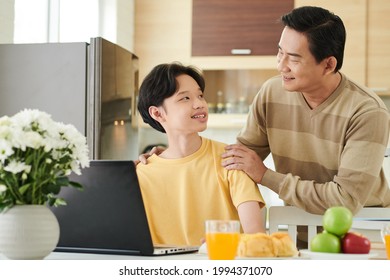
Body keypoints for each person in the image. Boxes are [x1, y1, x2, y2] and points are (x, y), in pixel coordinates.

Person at [221, 6, 390, 216]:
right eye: (280, 52)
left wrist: (265, 176)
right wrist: (175, 159)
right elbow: (238, 161)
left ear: (328, 65)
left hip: (364, 230)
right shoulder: (271, 93)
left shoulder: (367, 111)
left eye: (293, 58)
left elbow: (345, 201)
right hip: (300, 226)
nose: (281, 66)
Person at [135, 62, 265, 246]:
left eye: (200, 95)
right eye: (185, 98)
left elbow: (256, 236)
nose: (199, 104)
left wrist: (224, 243)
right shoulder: (142, 174)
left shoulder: (231, 159)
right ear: (157, 113)